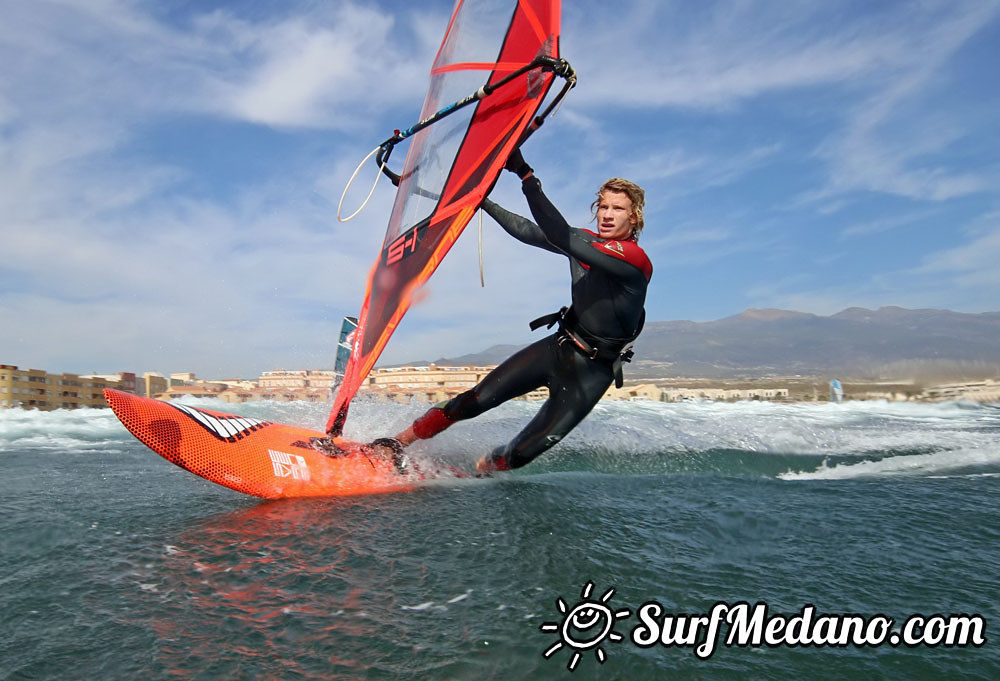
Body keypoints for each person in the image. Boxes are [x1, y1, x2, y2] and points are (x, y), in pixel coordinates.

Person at [373, 149, 652, 475]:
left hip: (590, 374)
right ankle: (394, 444)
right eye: (603, 206)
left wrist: (526, 175)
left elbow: (560, 234)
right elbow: (530, 231)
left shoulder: (634, 260)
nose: (607, 214)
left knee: (518, 456)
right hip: (560, 347)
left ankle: (482, 472)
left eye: (618, 209)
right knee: (475, 400)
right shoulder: (589, 244)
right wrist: (483, 203)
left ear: (633, 218)